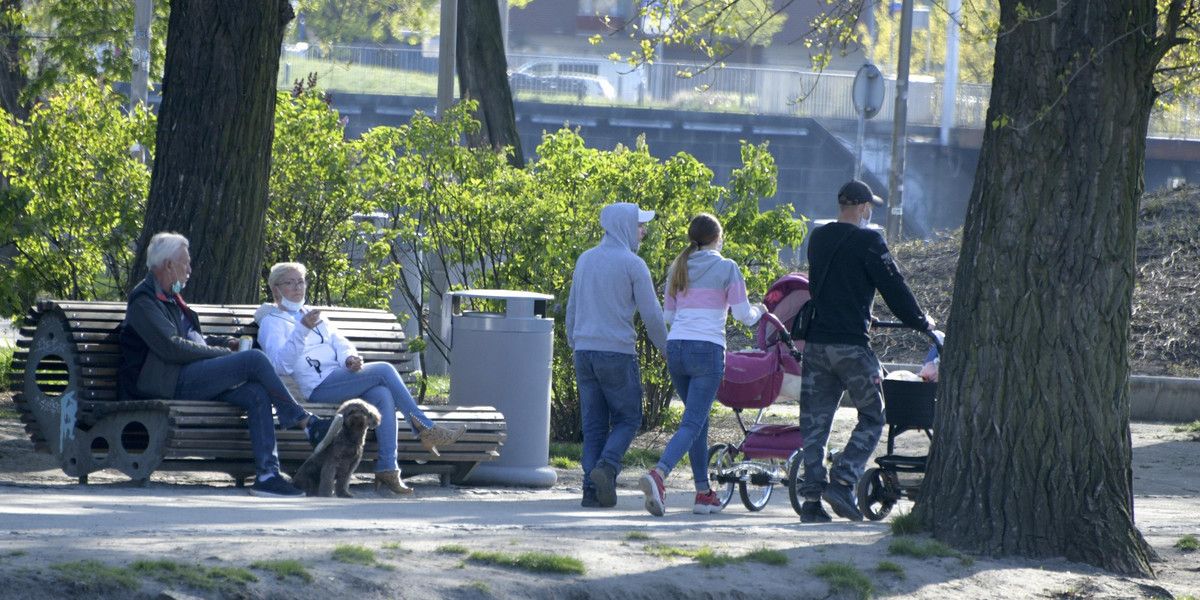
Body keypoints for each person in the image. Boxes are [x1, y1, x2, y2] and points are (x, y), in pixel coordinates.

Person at [118, 232, 339, 498]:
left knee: (255, 392)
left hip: (187, 376)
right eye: (185, 264)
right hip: (167, 383)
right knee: (254, 359)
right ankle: (306, 423)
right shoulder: (144, 300)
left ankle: (267, 475)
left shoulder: (171, 297)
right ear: (168, 265)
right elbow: (171, 347)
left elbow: (192, 339)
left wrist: (225, 342)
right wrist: (223, 353)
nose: (189, 270)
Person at [255, 262, 466, 497]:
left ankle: (388, 467)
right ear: (276, 289)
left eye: (301, 281)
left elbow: (340, 341)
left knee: (381, 394)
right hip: (316, 387)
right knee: (384, 371)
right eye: (290, 283)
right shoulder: (271, 323)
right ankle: (425, 428)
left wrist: (350, 358)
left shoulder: (311, 314)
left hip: (339, 377)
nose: (297, 287)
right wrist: (302, 330)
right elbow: (280, 365)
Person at [796, 180, 936, 522]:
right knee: (874, 415)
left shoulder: (819, 237)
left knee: (815, 423)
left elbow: (827, 285)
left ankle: (811, 501)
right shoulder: (869, 240)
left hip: (817, 343)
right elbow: (894, 286)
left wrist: (862, 312)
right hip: (850, 346)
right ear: (862, 207)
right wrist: (921, 321)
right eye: (869, 205)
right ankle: (842, 480)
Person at [639, 213, 766, 517]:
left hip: (677, 349)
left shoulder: (678, 268)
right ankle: (659, 474)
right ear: (717, 237)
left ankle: (703, 494)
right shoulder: (727, 267)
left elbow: (668, 317)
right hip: (707, 351)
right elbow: (742, 316)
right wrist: (760, 310)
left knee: (698, 421)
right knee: (693, 422)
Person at [566, 203, 669, 509]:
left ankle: (591, 490)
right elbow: (651, 314)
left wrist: (576, 343)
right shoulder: (633, 264)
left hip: (584, 353)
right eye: (640, 224)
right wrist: (665, 348)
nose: (644, 230)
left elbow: (572, 309)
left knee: (594, 424)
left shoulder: (585, 260)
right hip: (617, 352)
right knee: (628, 418)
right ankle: (608, 467)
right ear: (624, 225)